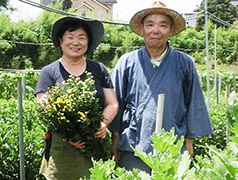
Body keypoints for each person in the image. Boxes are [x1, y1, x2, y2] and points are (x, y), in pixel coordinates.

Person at [109, 1, 213, 173]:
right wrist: (115, 140)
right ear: (142, 28)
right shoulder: (126, 62)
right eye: (150, 25)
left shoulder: (184, 63)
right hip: (133, 144)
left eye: (163, 25)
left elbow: (193, 101)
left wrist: (189, 143)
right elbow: (115, 102)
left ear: (171, 30)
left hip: (173, 146)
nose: (155, 30)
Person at [35, 16, 118, 180]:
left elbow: (112, 103)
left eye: (81, 37)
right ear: (60, 41)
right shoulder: (49, 71)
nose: (76, 42)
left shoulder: (98, 69)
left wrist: (103, 124)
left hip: (94, 142)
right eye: (70, 37)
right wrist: (70, 134)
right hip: (62, 149)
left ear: (88, 42)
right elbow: (44, 106)